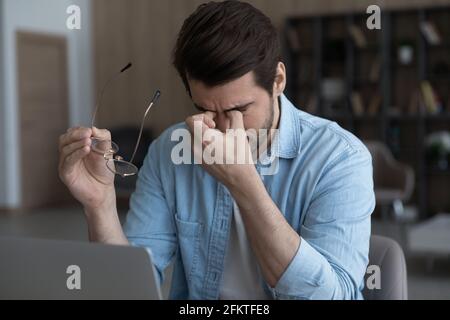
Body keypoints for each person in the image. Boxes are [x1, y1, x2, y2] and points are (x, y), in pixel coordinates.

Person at [58, 0, 375, 300]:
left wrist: (244, 183)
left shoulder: (340, 158)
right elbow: (128, 290)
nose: (224, 127)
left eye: (240, 108)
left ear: (278, 80)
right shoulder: (169, 151)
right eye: (206, 109)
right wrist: (100, 204)